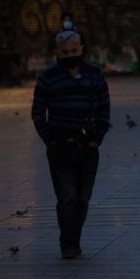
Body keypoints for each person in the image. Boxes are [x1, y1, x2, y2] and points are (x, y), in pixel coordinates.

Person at [31, 30, 110, 259]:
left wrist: (97, 137)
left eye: (74, 51)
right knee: (67, 196)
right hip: (60, 147)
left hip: (87, 146)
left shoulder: (94, 74)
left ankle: (75, 236)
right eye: (65, 52)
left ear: (82, 49)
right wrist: (50, 139)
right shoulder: (47, 78)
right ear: (56, 53)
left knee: (83, 198)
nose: (70, 55)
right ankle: (69, 242)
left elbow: (104, 106)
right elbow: (38, 112)